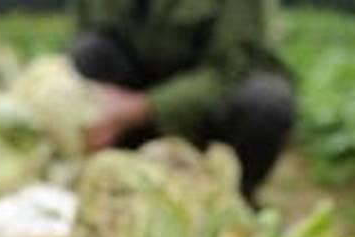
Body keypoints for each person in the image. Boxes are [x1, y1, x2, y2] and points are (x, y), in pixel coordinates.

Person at [70, 0, 296, 204]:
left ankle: (232, 200)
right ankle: (103, 186)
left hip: (209, 117)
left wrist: (143, 107)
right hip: (132, 115)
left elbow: (233, 68)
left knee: (266, 101)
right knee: (90, 52)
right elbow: (95, 34)